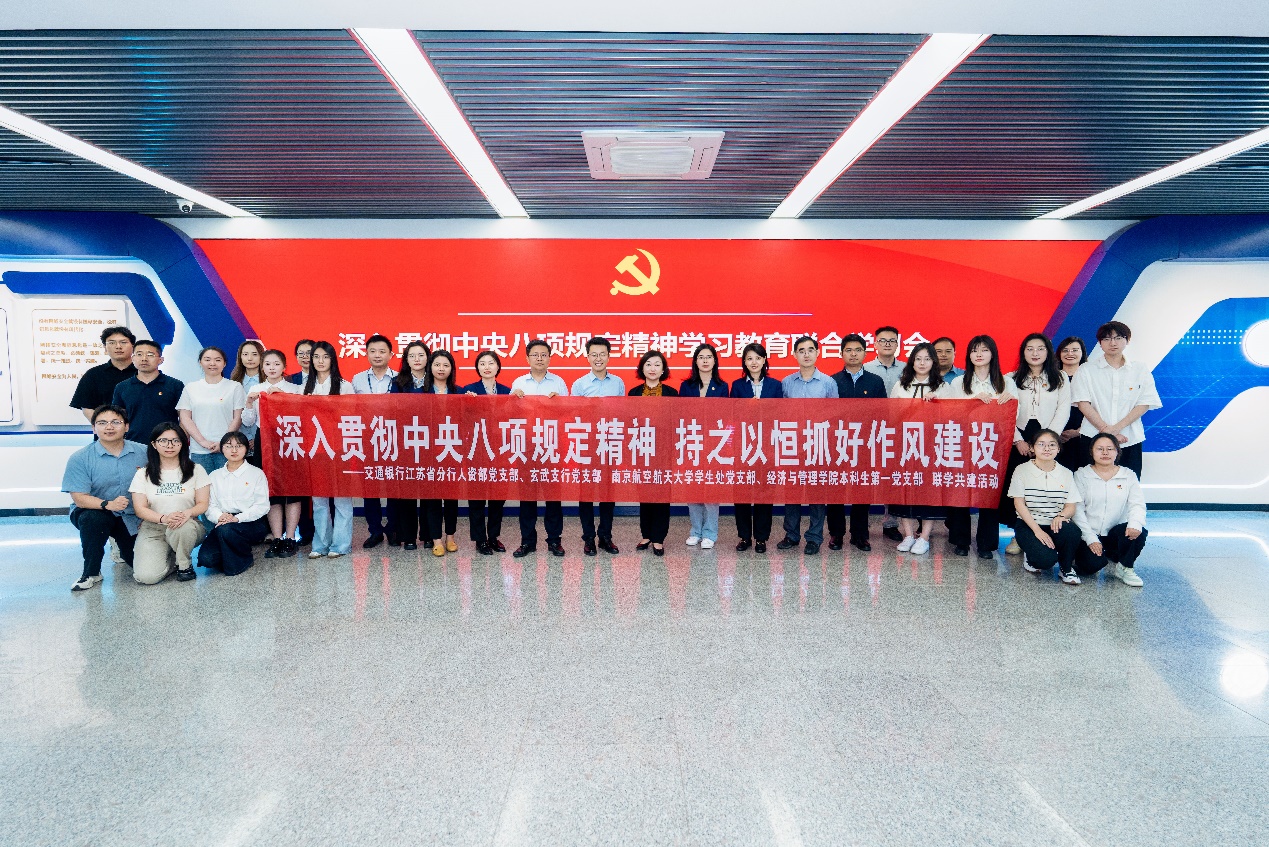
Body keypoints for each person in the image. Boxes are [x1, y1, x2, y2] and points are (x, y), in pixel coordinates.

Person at [61, 404, 147, 591]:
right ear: (94, 428)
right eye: (102, 423)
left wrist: (147, 515)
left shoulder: (145, 453)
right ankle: (91, 573)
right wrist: (108, 504)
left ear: (126, 426)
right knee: (94, 520)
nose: (109, 427)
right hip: (94, 511)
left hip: (131, 516)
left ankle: (123, 547)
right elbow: (79, 498)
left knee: (142, 567)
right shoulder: (80, 458)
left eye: (116, 422)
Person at [942, 336, 1012, 559]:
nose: (979, 354)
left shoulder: (1006, 382)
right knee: (961, 491)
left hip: (992, 445)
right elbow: (950, 413)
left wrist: (1007, 402)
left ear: (993, 353)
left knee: (989, 493)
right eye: (974, 350)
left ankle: (986, 544)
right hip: (963, 443)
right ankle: (960, 541)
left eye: (984, 350)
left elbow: (1014, 415)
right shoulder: (958, 383)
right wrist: (973, 401)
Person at [1002, 334, 1071, 553]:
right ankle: (1018, 535)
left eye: (1040, 348)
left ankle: (1048, 531)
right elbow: (1005, 411)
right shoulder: (1011, 378)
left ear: (1048, 352)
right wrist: (1017, 440)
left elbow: (1063, 409)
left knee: (1044, 487)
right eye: (1029, 349)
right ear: (1023, 352)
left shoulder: (1060, 377)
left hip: (1049, 437)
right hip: (1020, 437)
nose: (1035, 353)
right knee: (1019, 487)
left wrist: (1049, 441)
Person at [1072, 321, 1162, 479]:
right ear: (1100, 343)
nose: (1112, 343)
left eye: (1118, 338)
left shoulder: (1139, 369)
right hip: (1092, 438)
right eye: (1107, 339)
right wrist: (1105, 429)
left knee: (1129, 484)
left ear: (1127, 340)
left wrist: (1116, 429)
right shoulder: (1086, 370)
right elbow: (1083, 403)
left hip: (1129, 438)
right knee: (1089, 485)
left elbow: (1144, 403)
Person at [777, 336, 837, 555]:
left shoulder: (828, 383)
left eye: (810, 350)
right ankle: (791, 535)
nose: (806, 354)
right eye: (801, 350)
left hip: (818, 443)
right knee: (792, 492)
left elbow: (835, 416)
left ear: (817, 353)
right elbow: (780, 414)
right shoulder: (786, 382)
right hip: (792, 444)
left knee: (817, 493)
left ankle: (814, 537)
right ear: (794, 355)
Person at [128, 423, 209, 584]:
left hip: (187, 525)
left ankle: (184, 564)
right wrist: (164, 518)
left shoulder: (196, 470)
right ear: (154, 444)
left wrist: (187, 513)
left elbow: (203, 504)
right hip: (154, 528)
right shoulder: (143, 474)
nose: (169, 445)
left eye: (175, 440)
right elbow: (140, 509)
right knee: (146, 577)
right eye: (163, 440)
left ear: (183, 443)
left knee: (183, 528)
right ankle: (173, 557)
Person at [827, 333, 887, 552]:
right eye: (849, 350)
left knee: (862, 489)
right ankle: (836, 534)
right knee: (835, 489)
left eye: (858, 350)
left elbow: (882, 414)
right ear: (841, 353)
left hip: (865, 444)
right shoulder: (832, 381)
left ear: (865, 353)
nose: (853, 354)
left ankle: (860, 535)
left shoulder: (875, 381)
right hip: (837, 444)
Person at [511, 340, 569, 557]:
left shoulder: (559, 383)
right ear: (527, 358)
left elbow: (569, 414)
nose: (539, 358)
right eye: (535, 355)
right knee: (527, 497)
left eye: (544, 355)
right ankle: (527, 541)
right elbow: (509, 415)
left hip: (551, 446)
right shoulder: (519, 382)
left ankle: (554, 540)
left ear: (549, 358)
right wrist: (512, 400)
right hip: (525, 447)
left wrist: (560, 402)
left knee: (553, 497)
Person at [243, 349, 303, 558]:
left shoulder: (295, 389)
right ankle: (277, 538)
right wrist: (249, 402)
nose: (272, 368)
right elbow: (248, 422)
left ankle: (290, 538)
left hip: (290, 439)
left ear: (284, 367)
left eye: (276, 364)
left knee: (292, 490)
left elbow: (302, 416)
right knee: (271, 490)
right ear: (262, 367)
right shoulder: (256, 389)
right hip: (265, 441)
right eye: (267, 364)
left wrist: (284, 398)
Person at [888, 342, 946, 554]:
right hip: (905, 445)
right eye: (918, 359)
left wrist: (937, 404)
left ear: (933, 362)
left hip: (931, 447)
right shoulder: (901, 385)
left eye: (927, 359)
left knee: (928, 491)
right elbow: (891, 415)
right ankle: (908, 535)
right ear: (912, 362)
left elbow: (953, 417)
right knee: (905, 489)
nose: (922, 363)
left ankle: (924, 537)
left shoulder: (942, 387)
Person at [571, 337, 625, 556]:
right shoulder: (579, 384)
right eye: (594, 354)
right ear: (587, 357)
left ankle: (605, 537)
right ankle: (588, 538)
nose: (598, 358)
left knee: (607, 494)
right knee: (586, 494)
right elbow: (573, 415)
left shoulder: (618, 383)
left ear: (609, 356)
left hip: (610, 443)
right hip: (587, 444)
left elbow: (622, 413)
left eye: (602, 354)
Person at [1007, 428, 1083, 584]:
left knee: (1072, 531)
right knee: (1045, 561)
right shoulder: (1021, 470)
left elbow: (1071, 506)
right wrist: (1037, 531)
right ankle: (1031, 556)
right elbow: (1019, 504)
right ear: (1032, 448)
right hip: (1029, 525)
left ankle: (1066, 568)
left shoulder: (1066, 473)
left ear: (1058, 448)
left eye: (1052, 445)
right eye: (1041, 444)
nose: (1047, 448)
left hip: (1055, 523)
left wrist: (1061, 516)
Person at [1073, 433, 1148, 586]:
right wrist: (1091, 538)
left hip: (1115, 532)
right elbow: (1077, 510)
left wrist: (1135, 524)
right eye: (1100, 449)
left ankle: (1125, 567)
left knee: (1138, 531)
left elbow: (1137, 504)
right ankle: (1089, 556)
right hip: (1089, 532)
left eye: (1110, 449)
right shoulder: (1082, 475)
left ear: (1117, 451)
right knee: (1091, 566)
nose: (1105, 453)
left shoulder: (1128, 475)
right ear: (1092, 451)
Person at [304, 341, 354, 559]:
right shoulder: (305, 386)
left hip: (339, 449)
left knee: (342, 499)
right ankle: (320, 544)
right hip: (315, 450)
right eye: (316, 357)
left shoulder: (344, 386)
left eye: (325, 357)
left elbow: (351, 416)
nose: (320, 361)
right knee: (319, 500)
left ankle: (341, 545)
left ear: (333, 360)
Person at [730, 343, 780, 553]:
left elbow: (780, 414)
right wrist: (747, 408)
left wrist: (764, 409)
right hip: (743, 445)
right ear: (744, 362)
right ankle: (744, 537)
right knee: (742, 493)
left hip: (766, 445)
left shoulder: (775, 385)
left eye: (758, 358)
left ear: (764, 360)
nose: (754, 362)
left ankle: (761, 538)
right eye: (749, 358)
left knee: (764, 493)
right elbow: (731, 415)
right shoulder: (737, 385)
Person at [198, 432, 271, 576]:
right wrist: (220, 517)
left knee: (226, 530)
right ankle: (233, 553)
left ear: (246, 449)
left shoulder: (256, 473)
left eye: (239, 446)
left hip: (250, 522)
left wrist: (237, 518)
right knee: (206, 559)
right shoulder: (214, 475)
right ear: (222, 449)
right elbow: (210, 505)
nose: (234, 450)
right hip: (223, 521)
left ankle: (242, 561)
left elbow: (262, 506)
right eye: (228, 446)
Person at [679, 342, 729, 550]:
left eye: (709, 357)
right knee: (693, 488)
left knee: (711, 490)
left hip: (713, 443)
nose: (705, 360)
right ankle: (695, 531)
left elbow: (725, 416)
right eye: (701, 357)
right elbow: (681, 413)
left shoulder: (723, 386)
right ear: (695, 361)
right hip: (691, 440)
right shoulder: (686, 386)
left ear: (715, 361)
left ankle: (710, 532)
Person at [351, 334, 398, 550]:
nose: (377, 355)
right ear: (367, 353)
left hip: (393, 437)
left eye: (382, 351)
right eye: (372, 351)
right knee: (370, 486)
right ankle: (375, 530)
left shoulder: (399, 379)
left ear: (391, 354)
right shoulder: (358, 379)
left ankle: (393, 528)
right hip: (366, 438)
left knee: (394, 485)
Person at [631, 349, 678, 556]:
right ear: (642, 368)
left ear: (663, 369)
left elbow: (677, 424)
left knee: (662, 494)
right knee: (644, 493)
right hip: (641, 449)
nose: (652, 368)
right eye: (648, 364)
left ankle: (658, 537)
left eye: (657, 364)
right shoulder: (633, 393)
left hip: (664, 451)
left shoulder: (672, 393)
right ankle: (647, 534)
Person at [389, 340, 434, 551]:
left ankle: (428, 535)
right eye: (412, 355)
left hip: (431, 442)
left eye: (421, 355)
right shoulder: (397, 382)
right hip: (406, 442)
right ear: (406, 359)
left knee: (428, 492)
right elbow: (393, 411)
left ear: (428, 358)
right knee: (406, 492)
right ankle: (408, 536)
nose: (417, 359)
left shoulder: (436, 380)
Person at [464, 350, 510, 555]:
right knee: (477, 498)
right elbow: (462, 419)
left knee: (497, 497)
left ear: (498, 366)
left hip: (500, 450)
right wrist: (466, 403)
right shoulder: (469, 390)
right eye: (482, 363)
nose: (487, 367)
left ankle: (493, 537)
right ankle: (479, 539)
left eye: (491, 363)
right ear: (477, 368)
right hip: (477, 450)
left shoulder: (507, 391)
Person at [176, 346, 246, 475]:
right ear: (200, 362)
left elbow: (238, 417)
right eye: (207, 359)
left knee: (228, 484)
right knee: (203, 485)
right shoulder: (191, 388)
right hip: (199, 450)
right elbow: (185, 417)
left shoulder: (235, 387)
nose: (212, 363)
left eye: (218, 360)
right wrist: (202, 441)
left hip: (229, 449)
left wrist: (224, 442)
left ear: (224, 363)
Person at [865, 325, 906, 541]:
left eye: (892, 341)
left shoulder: (908, 369)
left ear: (898, 344)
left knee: (893, 476)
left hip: (900, 430)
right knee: (868, 475)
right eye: (883, 340)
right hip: (871, 430)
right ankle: (861, 523)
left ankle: (891, 522)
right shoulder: (866, 368)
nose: (887, 344)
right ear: (875, 344)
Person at [424, 350, 461, 557]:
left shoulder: (459, 392)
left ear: (451, 369)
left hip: (452, 450)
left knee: (451, 498)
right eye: (437, 364)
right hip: (429, 451)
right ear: (430, 367)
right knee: (432, 498)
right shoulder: (421, 392)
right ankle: (436, 539)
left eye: (446, 365)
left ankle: (450, 536)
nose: (441, 369)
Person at [112, 339, 184, 445]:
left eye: (150, 355)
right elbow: (117, 418)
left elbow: (184, 418)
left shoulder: (175, 385)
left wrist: (180, 441)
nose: (144, 359)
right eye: (139, 354)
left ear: (160, 360)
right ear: (133, 358)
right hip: (133, 444)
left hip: (167, 445)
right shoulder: (122, 387)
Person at [70, 326, 136, 422]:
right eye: (112, 343)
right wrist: (104, 425)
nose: (118, 346)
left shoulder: (143, 372)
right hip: (106, 429)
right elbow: (87, 407)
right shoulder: (93, 374)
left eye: (123, 342)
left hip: (139, 429)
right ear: (105, 347)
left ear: (133, 346)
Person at [230, 340, 265, 464]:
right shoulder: (233, 382)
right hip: (239, 439)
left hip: (263, 439)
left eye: (254, 354)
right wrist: (244, 438)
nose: (249, 358)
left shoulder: (268, 382)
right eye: (245, 354)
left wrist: (257, 438)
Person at [1056, 336, 1088, 471]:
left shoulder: (1090, 378)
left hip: (1083, 433)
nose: (1070, 353)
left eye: (1075, 350)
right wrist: (1054, 432)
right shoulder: (1052, 377)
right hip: (1054, 434)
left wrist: (1079, 431)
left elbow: (1099, 408)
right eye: (1065, 350)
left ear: (1082, 353)